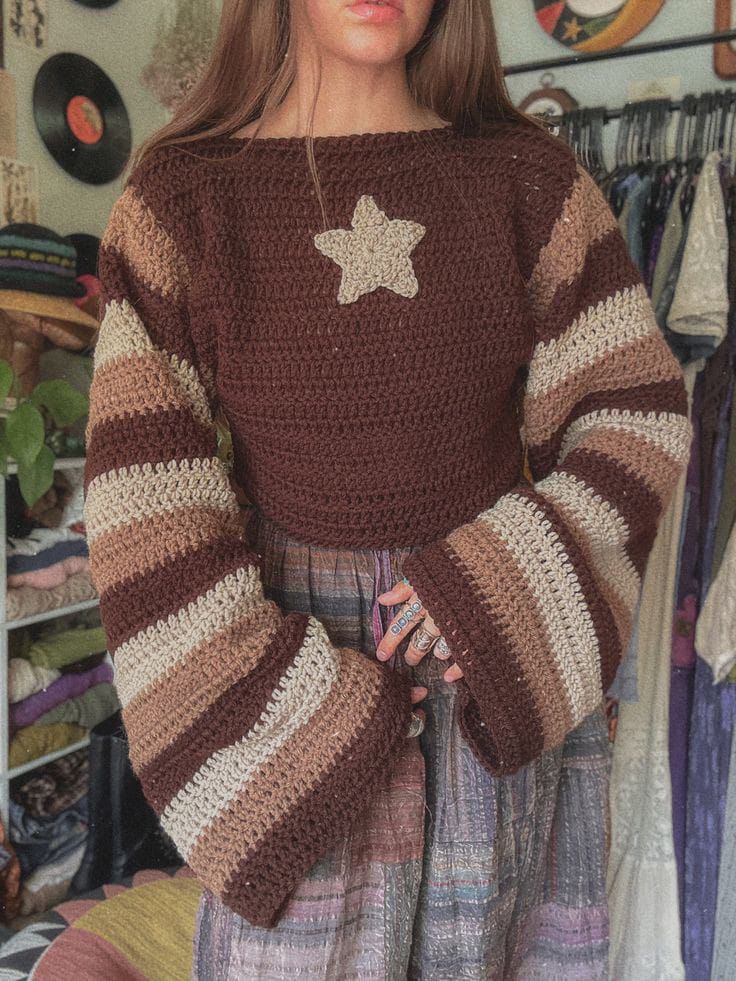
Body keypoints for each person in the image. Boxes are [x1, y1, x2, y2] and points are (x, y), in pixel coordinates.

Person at [82, 0, 693, 977]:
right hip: (290, 705)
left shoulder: (527, 181)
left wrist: (503, 581)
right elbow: (141, 509)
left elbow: (636, 412)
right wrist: (291, 701)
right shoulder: (183, 206)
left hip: (491, 678)